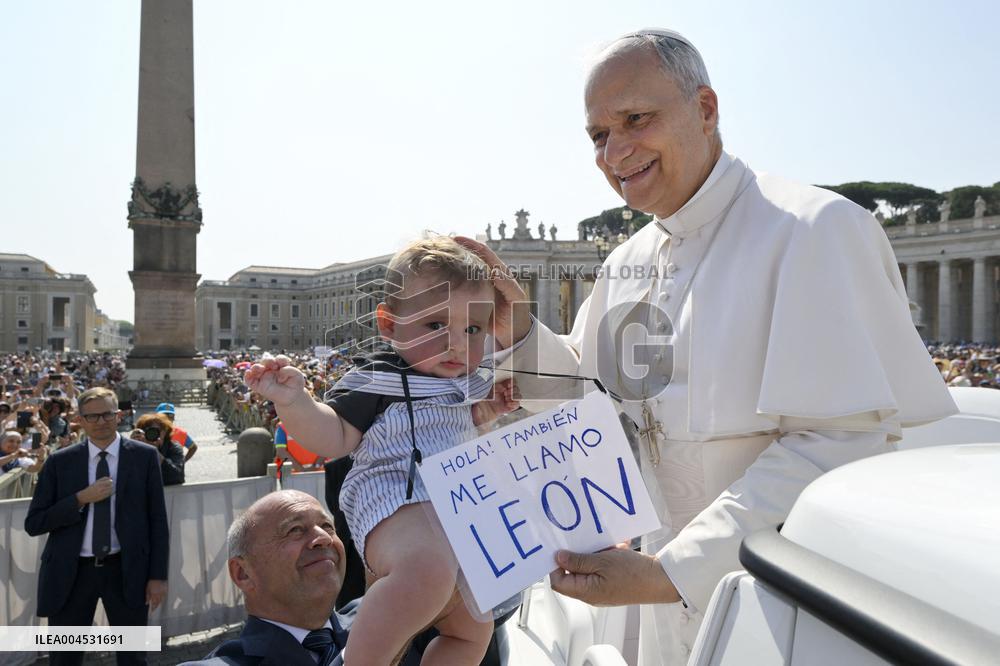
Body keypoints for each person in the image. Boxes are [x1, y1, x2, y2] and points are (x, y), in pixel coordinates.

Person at [456, 29, 957, 665]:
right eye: (598, 135)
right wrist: (519, 335)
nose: (615, 150)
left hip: (777, 602)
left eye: (636, 119)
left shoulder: (814, 231)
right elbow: (586, 402)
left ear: (707, 109)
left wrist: (675, 573)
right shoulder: (625, 261)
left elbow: (840, 442)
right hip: (642, 594)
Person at [245, 236, 520, 665]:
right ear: (389, 326)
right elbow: (332, 435)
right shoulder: (378, 378)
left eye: (473, 329)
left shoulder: (468, 381)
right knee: (426, 572)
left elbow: (463, 424)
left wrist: (490, 409)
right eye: (435, 326)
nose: (457, 344)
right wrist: (294, 402)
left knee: (474, 624)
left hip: (455, 505)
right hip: (397, 496)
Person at [181, 490, 424, 666]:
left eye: (328, 526)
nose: (323, 538)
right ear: (243, 573)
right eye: (294, 530)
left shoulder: (394, 615)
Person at [24, 386, 169, 666]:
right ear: (80, 419)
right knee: (65, 658)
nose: (100, 422)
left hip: (126, 570)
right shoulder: (60, 461)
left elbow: (157, 521)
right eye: (92, 416)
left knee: (133, 658)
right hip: (71, 572)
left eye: (107, 414)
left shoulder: (144, 457)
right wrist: (79, 499)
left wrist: (158, 576)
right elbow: (35, 522)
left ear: (119, 415)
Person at [134, 412, 186, 486]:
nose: (153, 434)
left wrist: (154, 451)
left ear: (165, 431)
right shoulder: (136, 448)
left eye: (157, 430)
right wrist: (132, 446)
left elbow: (177, 476)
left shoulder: (173, 447)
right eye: (149, 431)